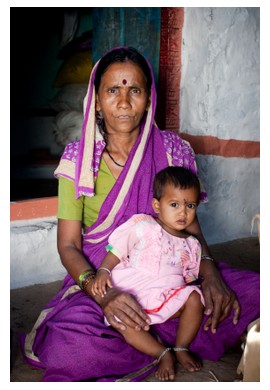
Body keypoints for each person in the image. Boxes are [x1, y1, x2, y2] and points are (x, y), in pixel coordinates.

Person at [20, 47, 259, 382]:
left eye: (135, 90)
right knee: (70, 346)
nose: (123, 101)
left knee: (252, 292)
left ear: (149, 99)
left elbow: (190, 229)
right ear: (97, 100)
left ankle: (162, 334)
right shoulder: (78, 157)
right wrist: (105, 296)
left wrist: (211, 274)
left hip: (172, 270)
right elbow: (69, 246)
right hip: (107, 277)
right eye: (112, 90)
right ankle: (168, 339)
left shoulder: (174, 150)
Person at [92, 166, 205, 380]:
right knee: (122, 319)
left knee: (195, 297)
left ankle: (180, 348)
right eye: (174, 204)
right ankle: (161, 353)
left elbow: (189, 277)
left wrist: (191, 293)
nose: (183, 212)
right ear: (157, 205)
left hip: (166, 292)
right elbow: (117, 250)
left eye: (190, 205)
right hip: (134, 290)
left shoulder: (192, 244)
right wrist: (104, 270)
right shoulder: (144, 225)